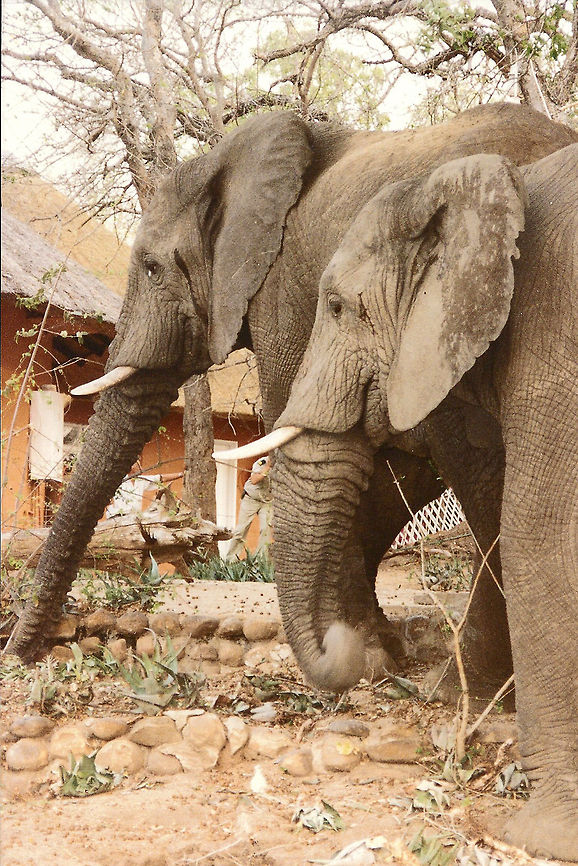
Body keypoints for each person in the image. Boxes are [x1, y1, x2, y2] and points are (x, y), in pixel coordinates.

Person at [226, 456, 272, 560]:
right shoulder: (262, 462)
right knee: (241, 530)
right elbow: (254, 479)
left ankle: (260, 561)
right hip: (251, 499)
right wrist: (267, 468)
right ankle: (230, 561)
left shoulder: (284, 465)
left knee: (266, 530)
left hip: (267, 501)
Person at [105, 461, 183, 519]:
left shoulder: (141, 480)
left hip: (134, 517)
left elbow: (161, 478)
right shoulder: (118, 480)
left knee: (155, 516)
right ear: (131, 467)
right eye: (138, 466)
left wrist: (180, 475)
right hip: (118, 516)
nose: (141, 468)